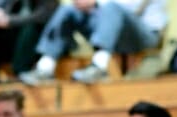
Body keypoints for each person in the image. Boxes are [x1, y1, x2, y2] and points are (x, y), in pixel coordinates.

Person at [19, 0, 166, 85]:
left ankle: (99, 67)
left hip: (145, 33)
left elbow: (129, 9)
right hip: (111, 31)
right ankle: (45, 67)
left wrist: (94, 3)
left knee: (111, 8)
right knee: (67, 10)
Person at [0, 0, 57, 84]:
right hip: (17, 40)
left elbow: (41, 17)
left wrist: (10, 21)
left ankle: (21, 72)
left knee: (30, 28)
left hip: (41, 43)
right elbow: (6, 12)